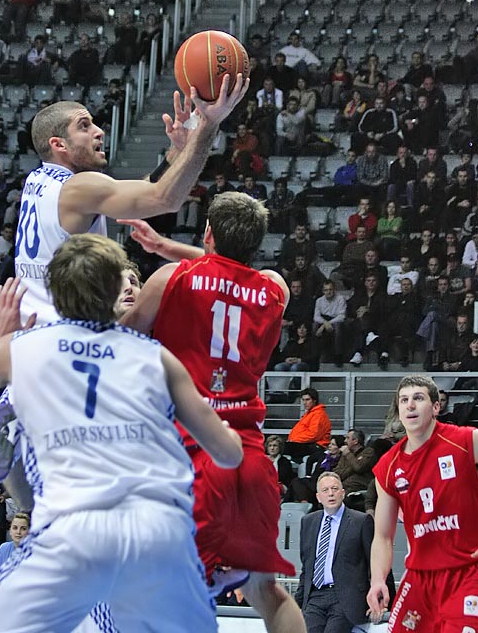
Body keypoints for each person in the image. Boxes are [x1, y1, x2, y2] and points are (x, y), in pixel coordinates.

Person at [0, 239, 243, 633]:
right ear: (115, 290)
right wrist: (225, 430)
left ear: (54, 293)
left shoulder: (22, 347)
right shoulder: (155, 355)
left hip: (74, 531)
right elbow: (229, 455)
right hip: (161, 535)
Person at [120, 192, 306, 633]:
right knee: (267, 592)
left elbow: (119, 340)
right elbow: (231, 272)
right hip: (249, 456)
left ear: (207, 234)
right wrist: (171, 249)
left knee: (173, 595)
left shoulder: (170, 280)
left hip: (192, 453)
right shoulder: (274, 287)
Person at [14, 76, 247, 325]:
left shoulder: (37, 180)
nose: (99, 131)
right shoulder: (78, 187)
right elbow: (165, 198)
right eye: (84, 126)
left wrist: (176, 153)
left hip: (32, 333)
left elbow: (147, 187)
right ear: (58, 144)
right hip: (65, 338)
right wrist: (209, 126)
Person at [367, 374, 478, 632]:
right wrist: (377, 580)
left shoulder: (468, 440)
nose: (410, 405)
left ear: (436, 406)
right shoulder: (387, 467)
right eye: (404, 400)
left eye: (418, 398)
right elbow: (383, 536)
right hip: (419, 576)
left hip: (470, 571)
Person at [295, 471, 376, 633]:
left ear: (343, 493)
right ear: (318, 497)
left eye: (334, 488)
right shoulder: (308, 521)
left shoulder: (361, 521)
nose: (330, 493)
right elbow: (307, 566)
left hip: (345, 597)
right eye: (325, 490)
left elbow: (376, 562)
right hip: (315, 597)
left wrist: (381, 600)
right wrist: (298, 603)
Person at [285, 388, 331, 463]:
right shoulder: (310, 413)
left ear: (314, 400)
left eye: (307, 400)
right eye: (303, 400)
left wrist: (294, 440)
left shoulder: (318, 414)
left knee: (282, 447)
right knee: (280, 446)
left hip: (315, 446)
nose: (304, 402)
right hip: (306, 444)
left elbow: (313, 435)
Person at [0, 512, 30, 578]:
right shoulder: (3, 548)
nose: (18, 532)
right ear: (10, 531)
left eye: (23, 529)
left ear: (29, 532)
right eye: (15, 528)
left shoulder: (36, 551)